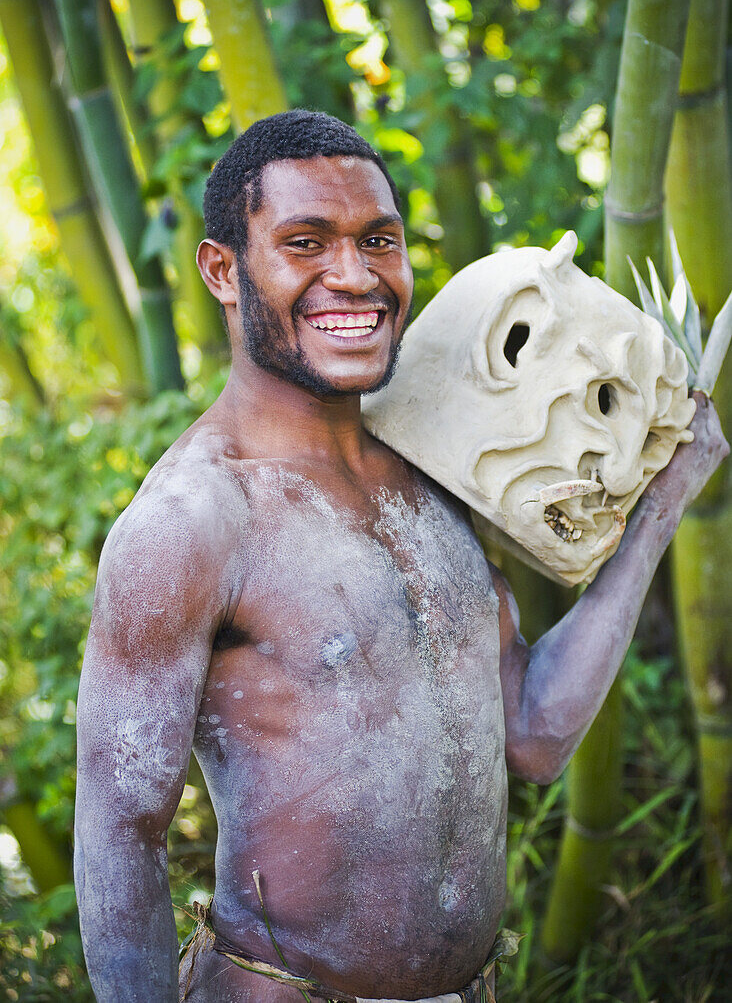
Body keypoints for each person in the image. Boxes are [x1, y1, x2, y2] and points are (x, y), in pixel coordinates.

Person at [74, 110, 728, 1003]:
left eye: (378, 240)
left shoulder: (436, 470)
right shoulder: (195, 522)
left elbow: (531, 736)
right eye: (306, 242)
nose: (354, 275)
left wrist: (659, 506)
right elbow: (121, 834)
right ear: (223, 270)